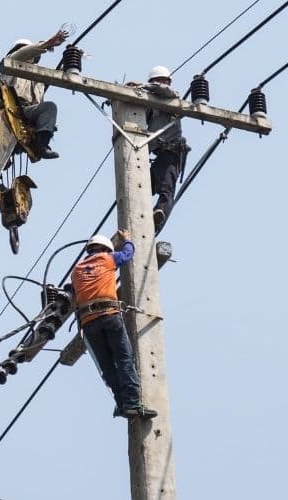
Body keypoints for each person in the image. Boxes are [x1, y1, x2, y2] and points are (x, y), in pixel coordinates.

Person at [70, 231, 158, 419]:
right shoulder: (107, 259)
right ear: (106, 249)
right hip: (109, 316)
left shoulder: (76, 270)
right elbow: (127, 254)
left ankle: (121, 403)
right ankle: (132, 402)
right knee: (125, 359)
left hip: (88, 323)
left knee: (108, 367)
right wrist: (127, 239)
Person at [0, 30, 68, 160]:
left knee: (49, 107)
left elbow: (58, 75)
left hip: (27, 113)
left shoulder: (39, 77)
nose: (26, 53)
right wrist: (47, 44)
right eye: (22, 50)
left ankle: (41, 145)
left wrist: (72, 59)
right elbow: (22, 54)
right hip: (10, 109)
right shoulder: (10, 64)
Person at [137, 65, 190, 233]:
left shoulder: (172, 98)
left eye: (163, 81)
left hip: (172, 154)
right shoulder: (148, 104)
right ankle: (140, 218)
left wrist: (143, 86)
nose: (161, 83)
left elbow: (166, 91)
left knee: (166, 190)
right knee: (141, 187)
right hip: (158, 155)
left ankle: (157, 220)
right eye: (157, 81)